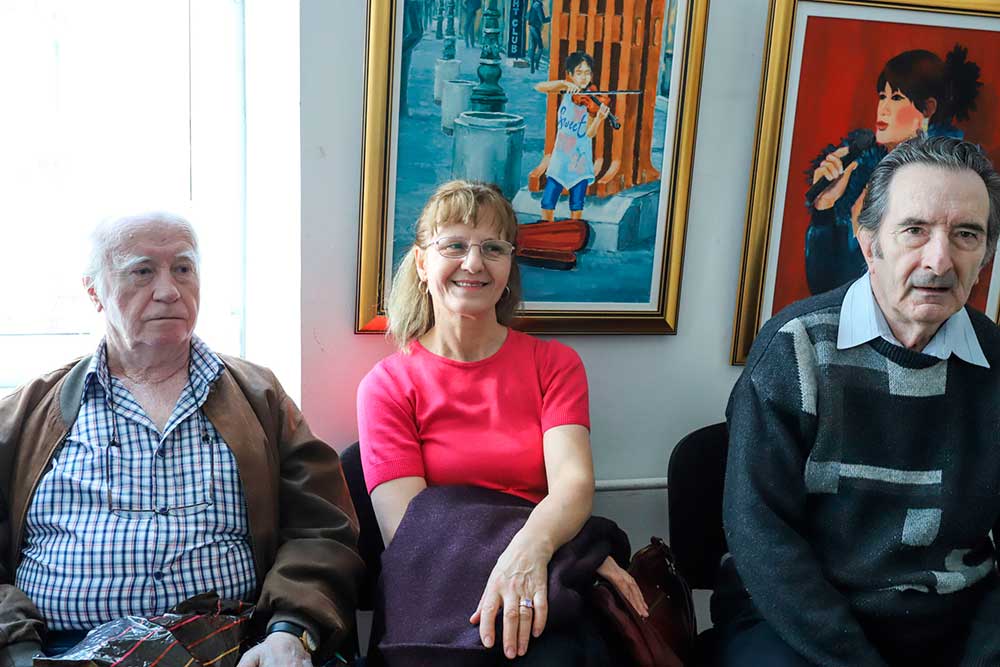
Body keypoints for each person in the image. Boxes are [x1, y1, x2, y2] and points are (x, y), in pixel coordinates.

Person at [0, 211, 363, 667]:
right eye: (142, 271)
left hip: (238, 645)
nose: (169, 290)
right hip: (60, 651)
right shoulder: (27, 413)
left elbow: (323, 530)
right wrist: (18, 652)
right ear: (94, 291)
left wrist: (289, 632)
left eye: (183, 268)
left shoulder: (260, 398)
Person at [715, 135, 1000, 665]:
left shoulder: (995, 361)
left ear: (984, 255)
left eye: (966, 234)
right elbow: (761, 537)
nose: (940, 260)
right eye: (915, 230)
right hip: (798, 619)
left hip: (951, 619)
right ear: (870, 243)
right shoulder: (795, 347)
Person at [357, 181, 645, 664]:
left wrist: (533, 553)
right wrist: (574, 551)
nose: (474, 263)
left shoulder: (554, 365)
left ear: (510, 265)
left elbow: (573, 486)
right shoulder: (386, 385)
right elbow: (410, 531)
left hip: (544, 578)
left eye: (493, 248)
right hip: (437, 590)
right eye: (454, 245)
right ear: (422, 263)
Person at [805, 45, 981, 295]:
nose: (883, 108)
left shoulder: (944, 185)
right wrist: (825, 208)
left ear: (927, 109)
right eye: (882, 96)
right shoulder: (861, 173)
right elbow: (823, 284)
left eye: (896, 98)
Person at [533, 51, 610, 222]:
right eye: (579, 73)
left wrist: (599, 118)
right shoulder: (567, 92)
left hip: (579, 161)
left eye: (587, 73)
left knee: (576, 203)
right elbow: (539, 87)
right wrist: (563, 83)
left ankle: (574, 230)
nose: (583, 78)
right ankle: (546, 229)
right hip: (560, 159)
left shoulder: (591, 102)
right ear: (570, 74)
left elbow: (590, 133)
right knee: (547, 201)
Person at [527, 0, 549, 74]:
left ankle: (532, 67)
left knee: (533, 47)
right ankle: (536, 63)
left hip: (531, 27)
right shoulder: (538, 6)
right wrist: (551, 18)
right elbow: (542, 19)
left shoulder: (533, 4)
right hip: (536, 28)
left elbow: (527, 16)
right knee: (540, 47)